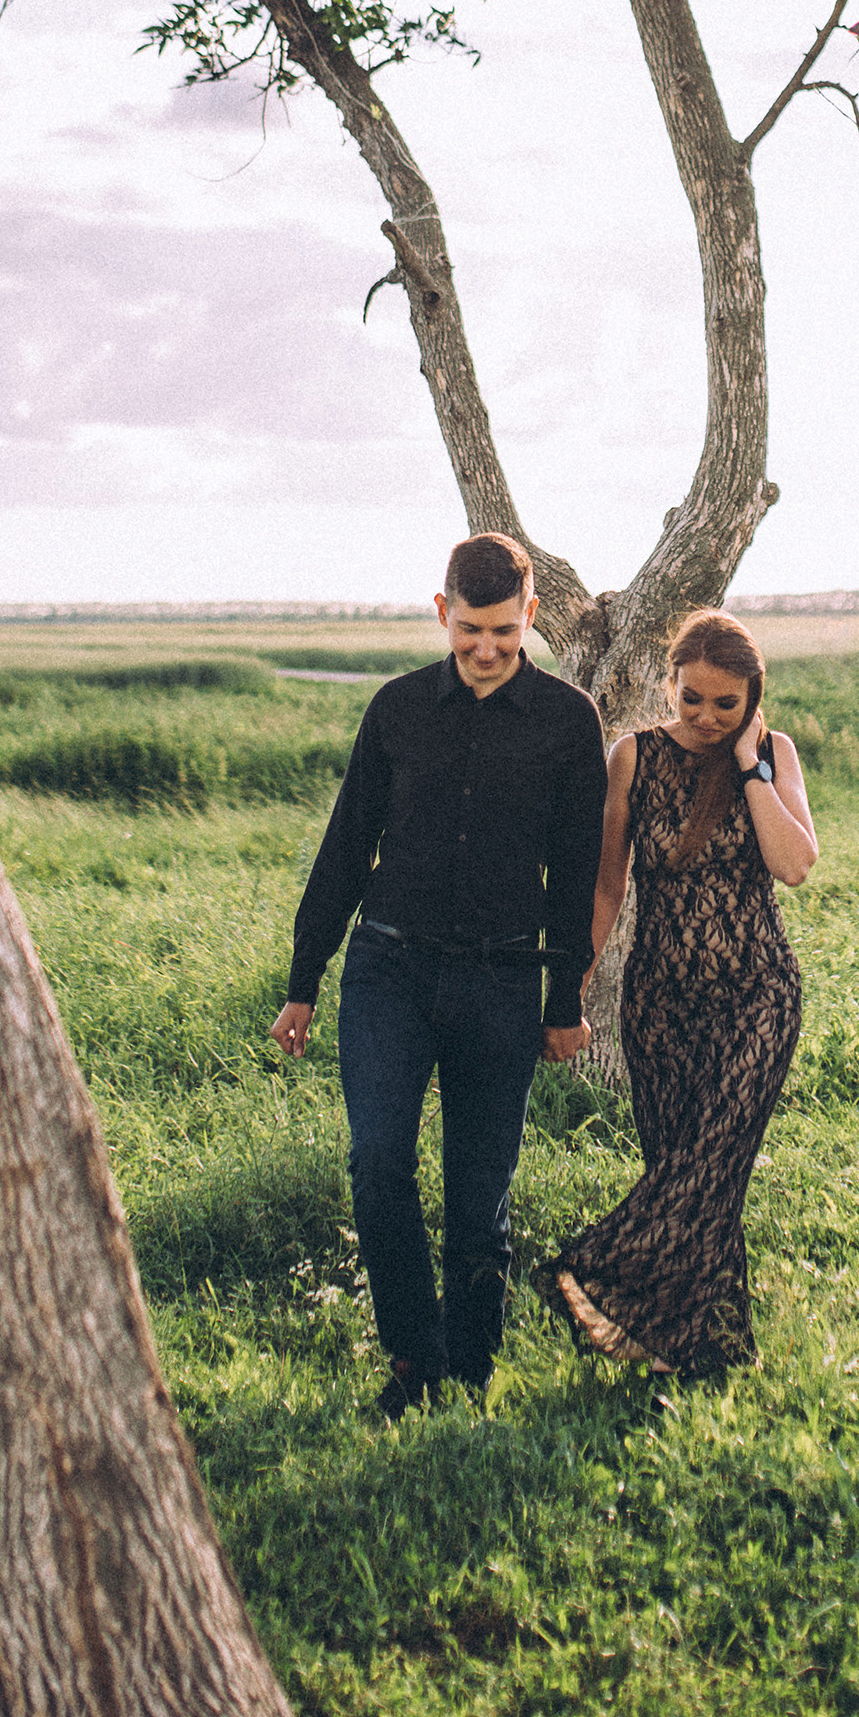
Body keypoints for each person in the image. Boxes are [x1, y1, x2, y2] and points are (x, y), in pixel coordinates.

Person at [271, 534, 605, 1418]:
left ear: (531, 616)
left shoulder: (569, 721)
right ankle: (417, 1360)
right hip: (389, 968)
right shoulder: (396, 710)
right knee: (378, 1163)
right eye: (468, 631)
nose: (486, 649)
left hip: (500, 981)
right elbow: (346, 849)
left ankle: (471, 1368)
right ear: (440, 613)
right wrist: (305, 979)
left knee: (478, 1187)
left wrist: (565, 996)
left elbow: (574, 875)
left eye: (502, 631)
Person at [540, 609, 816, 1379]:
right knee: (694, 1185)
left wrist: (753, 764)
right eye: (691, 698)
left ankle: (594, 1272)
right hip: (659, 1004)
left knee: (712, 1162)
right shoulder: (633, 756)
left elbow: (794, 863)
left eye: (726, 703)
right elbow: (606, 884)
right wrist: (572, 987)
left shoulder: (774, 755)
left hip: (757, 995)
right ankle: (705, 1355)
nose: (704, 717)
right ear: (671, 685)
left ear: (753, 700)